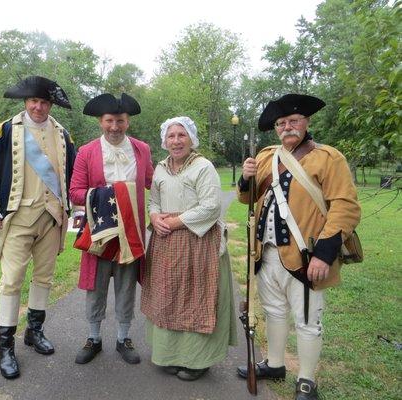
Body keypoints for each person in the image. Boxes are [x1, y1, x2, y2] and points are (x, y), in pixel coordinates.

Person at [236, 94, 361, 399]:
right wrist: (245, 178)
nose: (287, 127)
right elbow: (247, 198)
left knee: (307, 319)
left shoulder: (329, 158)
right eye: (281, 123)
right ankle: (276, 364)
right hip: (265, 252)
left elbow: (345, 208)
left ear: (306, 122)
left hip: (306, 256)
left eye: (293, 121)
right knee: (274, 311)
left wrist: (324, 255)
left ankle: (306, 380)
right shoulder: (266, 156)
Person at [0, 75, 76, 379]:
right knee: (11, 280)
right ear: (26, 102)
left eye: (44, 102)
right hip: (17, 217)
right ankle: (5, 348)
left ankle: (34, 332)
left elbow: (72, 175)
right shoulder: (5, 130)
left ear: (50, 104)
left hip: (52, 217)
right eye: (33, 101)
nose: (38, 106)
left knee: (44, 277)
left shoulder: (62, 134)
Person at [141, 116, 237, 381]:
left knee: (195, 296)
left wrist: (173, 222)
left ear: (191, 139)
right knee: (168, 296)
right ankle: (169, 354)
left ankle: (197, 359)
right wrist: (154, 217)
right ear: (164, 141)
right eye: (171, 136)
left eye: (181, 135)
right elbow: (154, 200)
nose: (176, 141)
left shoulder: (203, 167)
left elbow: (210, 207)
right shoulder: (160, 168)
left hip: (198, 241)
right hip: (165, 242)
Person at [69, 93, 154, 365]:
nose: (114, 127)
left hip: (131, 231)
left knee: (127, 286)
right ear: (100, 122)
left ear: (128, 122)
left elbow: (155, 182)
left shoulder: (142, 149)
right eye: (109, 121)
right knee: (96, 285)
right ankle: (93, 338)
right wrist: (109, 195)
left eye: (120, 121)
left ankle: (123, 338)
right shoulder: (87, 151)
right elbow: (75, 192)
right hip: (99, 231)